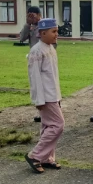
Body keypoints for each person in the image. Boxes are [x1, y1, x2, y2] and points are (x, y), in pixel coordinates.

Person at [24, 18, 65, 174]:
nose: (56, 35)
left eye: (56, 31)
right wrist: (39, 100)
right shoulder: (36, 51)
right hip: (45, 97)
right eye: (53, 31)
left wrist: (58, 96)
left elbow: (52, 76)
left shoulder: (51, 48)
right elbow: (34, 77)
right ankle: (35, 155)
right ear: (42, 33)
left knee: (48, 126)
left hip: (53, 95)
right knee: (58, 125)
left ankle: (47, 158)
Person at [20, 6, 43, 123]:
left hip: (45, 61)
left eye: (33, 16)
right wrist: (27, 25)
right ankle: (41, 112)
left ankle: (52, 110)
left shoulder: (44, 26)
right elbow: (21, 38)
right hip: (34, 61)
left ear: (39, 15)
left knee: (46, 86)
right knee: (36, 86)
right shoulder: (30, 27)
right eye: (29, 16)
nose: (31, 18)